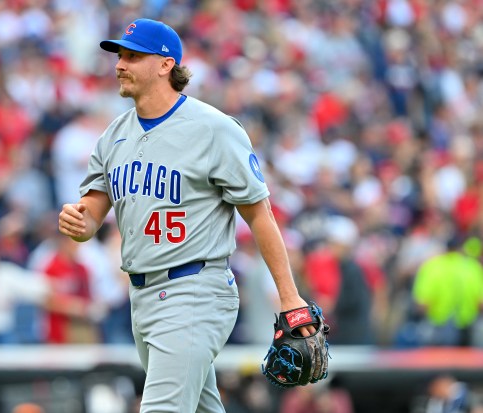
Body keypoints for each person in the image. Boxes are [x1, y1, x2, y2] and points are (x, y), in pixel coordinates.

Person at [58, 18, 313, 413]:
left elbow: (260, 215)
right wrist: (78, 222)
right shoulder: (113, 135)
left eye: (132, 56)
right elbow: (90, 216)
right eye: (119, 56)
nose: (119, 64)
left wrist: (289, 296)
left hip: (194, 289)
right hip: (142, 296)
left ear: (165, 64)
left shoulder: (213, 128)